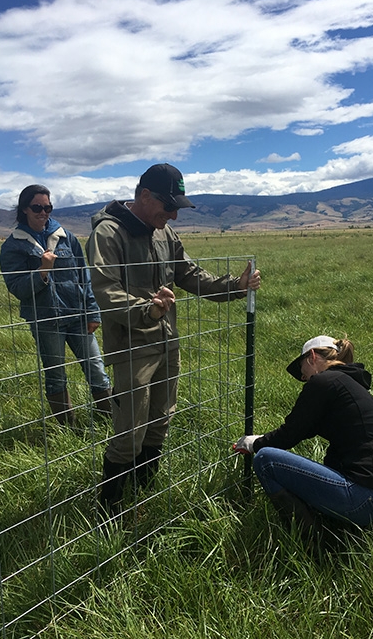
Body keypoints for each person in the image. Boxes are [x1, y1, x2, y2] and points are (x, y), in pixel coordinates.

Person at [85, 163, 261, 518]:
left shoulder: (164, 234)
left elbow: (190, 275)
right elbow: (105, 290)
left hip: (168, 344)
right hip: (132, 347)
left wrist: (235, 287)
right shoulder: (108, 234)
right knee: (130, 429)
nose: (174, 215)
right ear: (144, 196)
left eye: (178, 207)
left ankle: (143, 494)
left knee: (160, 420)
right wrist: (145, 311)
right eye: (169, 206)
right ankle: (110, 509)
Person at [234, 335, 373, 542]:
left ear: (312, 357)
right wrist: (264, 438)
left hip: (365, 496)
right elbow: (301, 430)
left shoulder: (324, 381)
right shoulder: (347, 384)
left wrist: (255, 444)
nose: (304, 378)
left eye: (301, 370)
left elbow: (289, 434)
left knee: (266, 460)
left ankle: (315, 541)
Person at [0, 184, 112, 426]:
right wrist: (42, 272)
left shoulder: (65, 237)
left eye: (47, 207)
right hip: (45, 320)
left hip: (78, 315)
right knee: (56, 376)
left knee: (96, 369)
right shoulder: (13, 245)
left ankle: (109, 421)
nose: (43, 212)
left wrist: (92, 310)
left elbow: (84, 276)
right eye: (37, 207)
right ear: (24, 209)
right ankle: (68, 428)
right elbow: (17, 288)